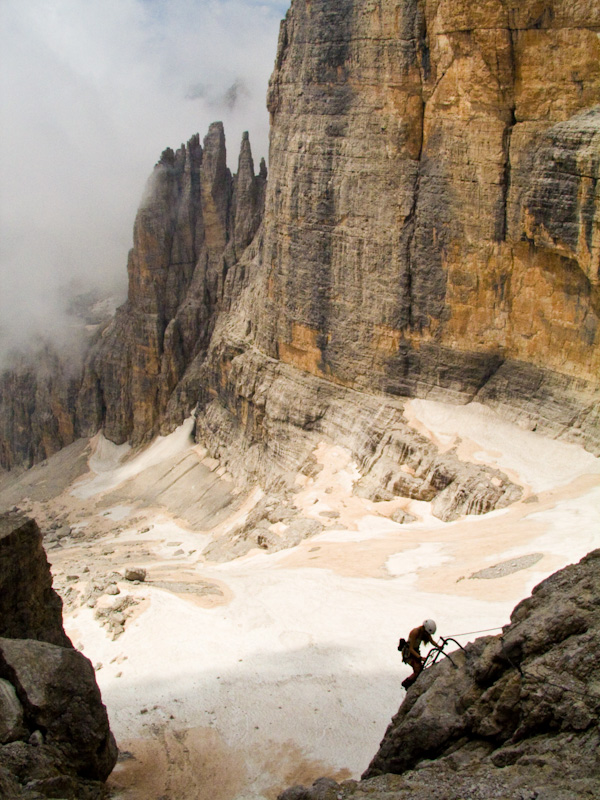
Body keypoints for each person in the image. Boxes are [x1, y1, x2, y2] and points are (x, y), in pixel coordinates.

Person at [399, 619, 439, 689]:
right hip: (408, 653)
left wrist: (439, 646)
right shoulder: (415, 632)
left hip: (415, 652)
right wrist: (420, 657)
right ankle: (406, 683)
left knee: (419, 668)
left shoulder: (424, 632)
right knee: (417, 670)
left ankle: (410, 683)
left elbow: (432, 641)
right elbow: (411, 648)